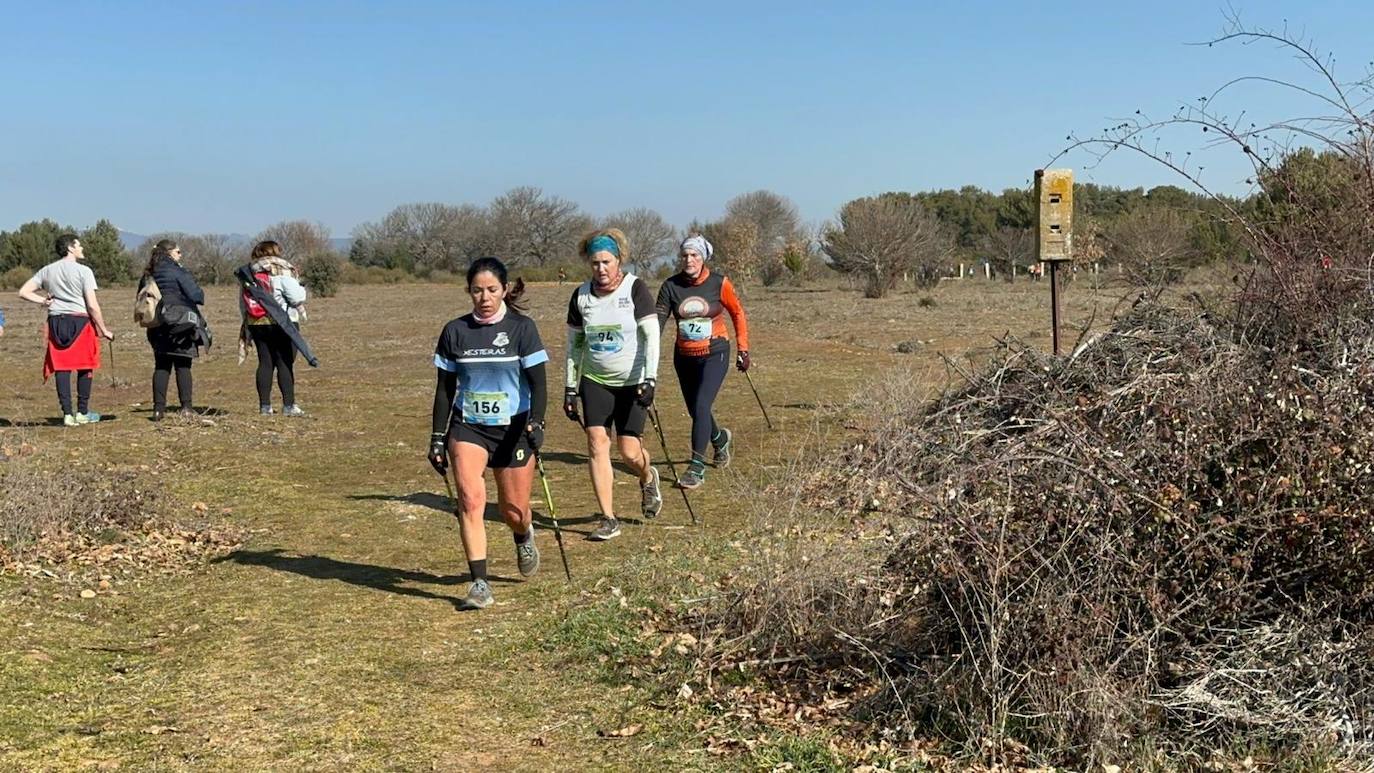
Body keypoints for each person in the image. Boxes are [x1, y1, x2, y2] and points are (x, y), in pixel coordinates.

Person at [427, 257, 549, 610]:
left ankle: (523, 534)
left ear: (505, 290)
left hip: (514, 428)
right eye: (477, 290)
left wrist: (537, 422)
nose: (484, 297)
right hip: (469, 427)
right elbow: (444, 389)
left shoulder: (522, 328)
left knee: (514, 510)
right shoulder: (455, 331)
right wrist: (437, 437)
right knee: (470, 501)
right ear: (469, 291)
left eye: (492, 289)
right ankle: (479, 583)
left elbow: (539, 384)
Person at [563, 228, 662, 541]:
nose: (601, 269)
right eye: (595, 263)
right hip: (596, 381)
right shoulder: (580, 296)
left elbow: (652, 337)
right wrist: (569, 386)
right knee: (596, 444)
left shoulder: (635, 289)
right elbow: (573, 345)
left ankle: (647, 477)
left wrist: (650, 378)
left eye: (606, 261)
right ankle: (608, 518)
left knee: (630, 453)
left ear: (619, 260)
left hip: (633, 382)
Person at [655, 234, 750, 490]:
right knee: (698, 410)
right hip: (683, 356)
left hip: (715, 352)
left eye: (694, 255)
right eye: (685, 255)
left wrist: (743, 349)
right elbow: (658, 322)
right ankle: (720, 440)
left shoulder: (719, 283)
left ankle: (696, 467)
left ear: (703, 257)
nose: (689, 260)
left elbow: (737, 313)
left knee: (700, 404)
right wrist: (647, 347)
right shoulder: (670, 286)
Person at [17, 234, 115, 425]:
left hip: (56, 321)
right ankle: (82, 412)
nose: (82, 248)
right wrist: (103, 329)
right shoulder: (84, 271)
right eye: (79, 245)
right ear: (70, 247)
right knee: (85, 365)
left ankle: (67, 415)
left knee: (62, 367)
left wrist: (44, 301)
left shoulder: (47, 270)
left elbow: (23, 292)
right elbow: (93, 306)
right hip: (80, 321)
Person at [140, 239, 208, 420]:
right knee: (183, 365)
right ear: (169, 253)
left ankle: (158, 410)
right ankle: (186, 407)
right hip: (181, 323)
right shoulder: (178, 271)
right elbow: (196, 295)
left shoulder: (149, 273)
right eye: (178, 252)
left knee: (161, 366)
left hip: (156, 324)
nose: (181, 255)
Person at [240, 241, 308, 416]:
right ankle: (289, 406)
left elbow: (242, 302)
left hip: (257, 323)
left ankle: (265, 406)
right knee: (284, 362)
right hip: (283, 322)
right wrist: (301, 287)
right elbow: (296, 297)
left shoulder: (249, 273)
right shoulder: (282, 270)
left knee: (265, 363)